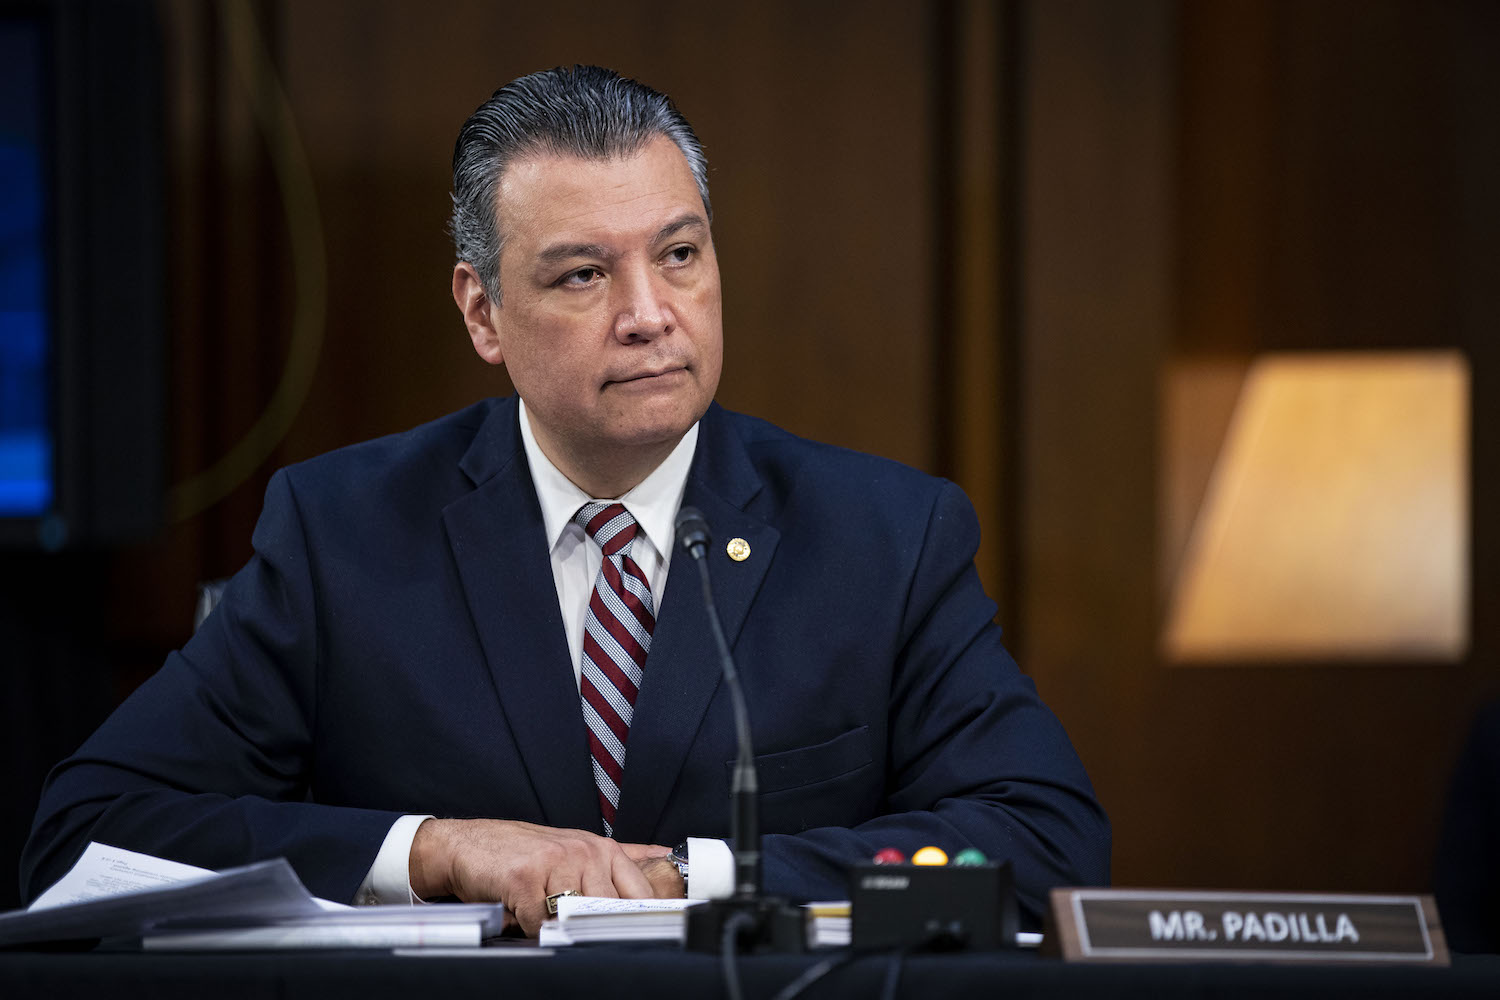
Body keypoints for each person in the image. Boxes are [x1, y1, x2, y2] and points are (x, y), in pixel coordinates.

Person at [21, 65, 1109, 936]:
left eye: (679, 255)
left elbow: (1044, 836)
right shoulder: (342, 533)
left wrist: (701, 873)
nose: (649, 313)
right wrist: (436, 851)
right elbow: (88, 829)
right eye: (583, 274)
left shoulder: (885, 538)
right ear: (483, 312)